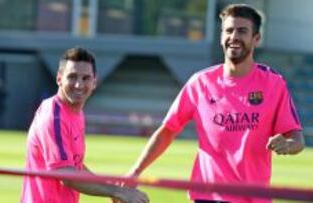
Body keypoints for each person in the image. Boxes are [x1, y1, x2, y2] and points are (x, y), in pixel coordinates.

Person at [122, 4, 305, 203]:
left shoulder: (273, 84)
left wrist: (288, 145)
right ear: (221, 36)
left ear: (256, 39)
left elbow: (298, 140)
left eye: (242, 31)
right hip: (207, 196)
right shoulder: (200, 82)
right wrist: (135, 171)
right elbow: (168, 130)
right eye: (229, 30)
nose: (234, 37)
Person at [21, 47, 149, 203]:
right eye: (72, 77)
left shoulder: (75, 113)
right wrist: (116, 191)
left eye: (85, 78)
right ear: (59, 78)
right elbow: (66, 175)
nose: (78, 85)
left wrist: (114, 189)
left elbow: (75, 165)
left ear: (94, 82)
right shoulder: (54, 117)